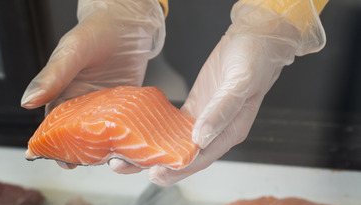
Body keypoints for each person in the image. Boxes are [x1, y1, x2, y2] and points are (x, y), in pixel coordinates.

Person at [20, 0, 328, 185]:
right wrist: (123, 7)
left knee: (278, 113)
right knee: (215, 114)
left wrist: (275, 19)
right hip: (192, 16)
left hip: (321, 44)